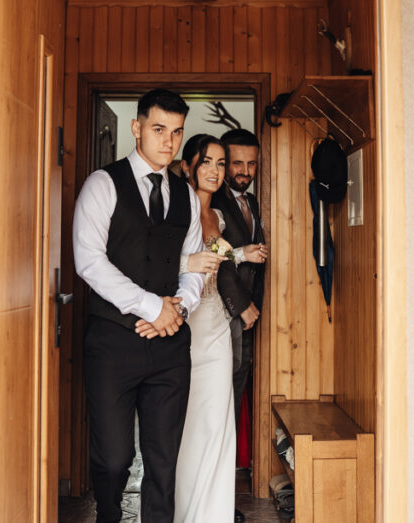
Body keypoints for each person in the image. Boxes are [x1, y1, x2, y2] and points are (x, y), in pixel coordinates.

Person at [73, 88, 205, 523]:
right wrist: (152, 307)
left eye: (177, 132)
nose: (169, 141)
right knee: (113, 459)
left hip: (170, 346)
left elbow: (192, 264)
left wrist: (178, 309)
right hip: (113, 343)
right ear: (137, 127)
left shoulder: (186, 195)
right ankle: (108, 516)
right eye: (159, 129)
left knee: (163, 463)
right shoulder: (103, 184)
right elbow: (89, 261)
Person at [173, 134, 266, 522]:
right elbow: (163, 262)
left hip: (217, 324)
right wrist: (190, 265)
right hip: (189, 322)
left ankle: (215, 511)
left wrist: (239, 253)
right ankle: (186, 509)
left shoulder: (218, 215)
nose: (215, 170)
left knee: (220, 417)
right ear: (187, 167)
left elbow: (220, 259)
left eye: (220, 163)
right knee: (193, 419)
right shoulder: (177, 210)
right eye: (207, 162)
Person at [213, 128, 266, 421]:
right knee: (220, 393)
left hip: (249, 315)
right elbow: (216, 260)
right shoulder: (212, 201)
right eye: (237, 163)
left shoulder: (253, 202)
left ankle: (230, 449)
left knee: (236, 388)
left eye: (252, 163)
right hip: (224, 310)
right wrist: (242, 305)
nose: (245, 171)